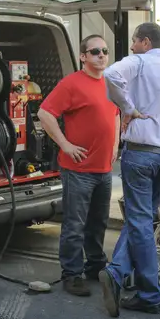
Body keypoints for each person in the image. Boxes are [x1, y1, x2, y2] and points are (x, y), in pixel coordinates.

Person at [98, 22, 160, 317]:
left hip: (141, 154)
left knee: (139, 222)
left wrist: (127, 107)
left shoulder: (138, 61)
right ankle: (117, 272)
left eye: (134, 42)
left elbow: (110, 74)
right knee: (140, 220)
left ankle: (149, 293)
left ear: (145, 42)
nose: (132, 48)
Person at [38, 34, 120, 297]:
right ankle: (71, 274)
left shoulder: (109, 83)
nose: (102, 55)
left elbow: (116, 114)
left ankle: (95, 265)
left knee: (98, 222)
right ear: (83, 56)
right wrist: (65, 145)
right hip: (78, 170)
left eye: (105, 51)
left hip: (103, 169)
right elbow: (45, 113)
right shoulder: (71, 84)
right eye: (95, 51)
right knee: (75, 224)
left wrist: (116, 145)